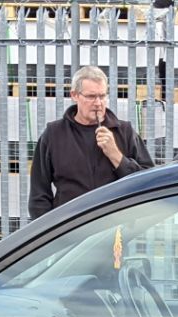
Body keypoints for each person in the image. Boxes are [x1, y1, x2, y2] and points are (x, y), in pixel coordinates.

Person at [27, 66, 155, 221]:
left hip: (114, 229)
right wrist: (48, 232)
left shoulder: (124, 131)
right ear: (74, 95)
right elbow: (38, 194)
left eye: (102, 96)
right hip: (68, 228)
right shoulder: (54, 134)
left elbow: (148, 182)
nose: (98, 103)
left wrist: (115, 155)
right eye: (91, 96)